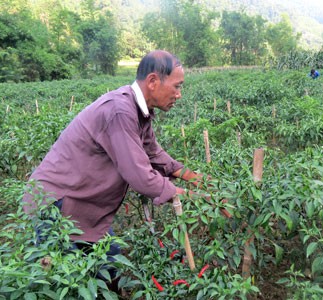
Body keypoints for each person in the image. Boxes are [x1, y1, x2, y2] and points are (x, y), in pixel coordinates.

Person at [22, 50, 207, 292]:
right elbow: (141, 176)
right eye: (176, 86)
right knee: (61, 282)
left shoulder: (138, 112)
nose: (179, 95)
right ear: (153, 81)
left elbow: (154, 154)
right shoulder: (120, 110)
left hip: (84, 204)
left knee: (108, 264)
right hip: (56, 203)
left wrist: (197, 179)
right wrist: (195, 197)